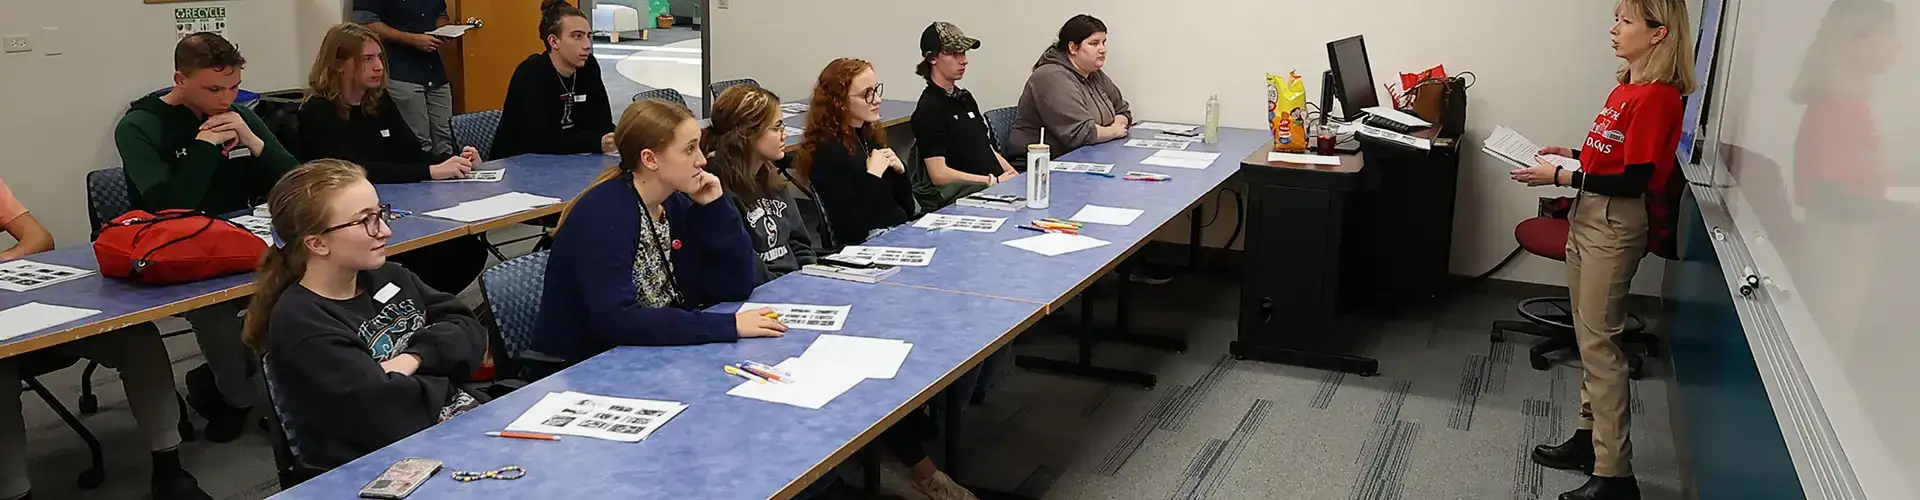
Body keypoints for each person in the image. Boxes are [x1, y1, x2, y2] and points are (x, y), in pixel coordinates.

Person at [1509, 1, 1695, 498]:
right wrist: (1568, 156)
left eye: (1627, 21)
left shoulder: (1658, 97)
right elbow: (1612, 155)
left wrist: (1562, 176)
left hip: (1614, 222)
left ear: (1659, 34)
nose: (1614, 28)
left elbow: (1635, 180)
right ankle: (1589, 440)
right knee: (1588, 334)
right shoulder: (1626, 89)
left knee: (1600, 347)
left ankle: (1615, 476)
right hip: (1589, 214)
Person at [113, 32, 298, 442]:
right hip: (179, 248)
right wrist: (203, 147)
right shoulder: (139, 126)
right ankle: (239, 400)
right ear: (180, 80)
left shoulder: (241, 115)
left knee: (300, 290)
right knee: (216, 317)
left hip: (243, 240)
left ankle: (274, 393)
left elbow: (298, 186)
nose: (225, 98)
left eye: (233, 87)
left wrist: (254, 143)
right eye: (213, 89)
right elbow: (169, 205)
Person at [246, 160, 488, 469]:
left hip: (450, 426)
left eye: (381, 213)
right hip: (387, 462)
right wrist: (448, 373)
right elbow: (386, 417)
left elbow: (469, 329)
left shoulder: (388, 276)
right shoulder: (303, 323)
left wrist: (413, 360)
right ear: (317, 243)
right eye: (366, 221)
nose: (385, 230)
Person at [0, 176, 213, 500]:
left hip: (21, 310)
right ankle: (15, 493)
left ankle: (170, 468)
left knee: (136, 337)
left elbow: (38, 239)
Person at [534, 100, 787, 365]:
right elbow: (617, 321)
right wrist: (725, 326)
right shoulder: (604, 214)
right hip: (588, 365)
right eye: (689, 150)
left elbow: (735, 287)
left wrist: (715, 209)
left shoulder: (676, 203)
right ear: (650, 159)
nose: (701, 160)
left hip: (656, 351)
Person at [297, 22, 491, 294]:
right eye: (367, 59)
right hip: (349, 219)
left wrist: (453, 160)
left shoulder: (378, 100)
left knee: (467, 249)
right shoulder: (317, 111)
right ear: (339, 64)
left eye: (379, 57)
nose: (378, 66)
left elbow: (410, 152)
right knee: (429, 257)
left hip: (401, 205)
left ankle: (420, 310)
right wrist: (430, 171)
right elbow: (352, 172)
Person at [700, 85, 819, 283]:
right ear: (746, 134)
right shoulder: (718, 189)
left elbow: (800, 244)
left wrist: (807, 278)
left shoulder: (768, 176)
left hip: (793, 285)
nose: (785, 134)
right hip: (762, 292)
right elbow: (747, 267)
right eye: (777, 127)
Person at [796, 58, 914, 247]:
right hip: (867, 243)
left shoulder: (868, 136)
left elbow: (906, 210)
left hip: (896, 231)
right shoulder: (828, 152)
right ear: (840, 102)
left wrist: (901, 173)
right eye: (867, 94)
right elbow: (852, 228)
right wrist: (873, 176)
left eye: (876, 90)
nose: (877, 99)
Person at [910, 21, 1018, 209]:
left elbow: (985, 148)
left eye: (964, 53)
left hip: (995, 189)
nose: (964, 60)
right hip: (967, 197)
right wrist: (991, 181)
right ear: (932, 58)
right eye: (954, 54)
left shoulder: (964, 98)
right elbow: (939, 174)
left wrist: (1013, 175)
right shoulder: (929, 108)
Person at [491, 0, 616, 159]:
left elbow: (603, 121)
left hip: (574, 161)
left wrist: (611, 138)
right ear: (553, 41)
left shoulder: (589, 66)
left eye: (588, 36)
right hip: (522, 165)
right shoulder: (531, 74)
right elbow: (538, 141)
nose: (587, 45)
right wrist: (595, 142)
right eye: (577, 36)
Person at [1010, 14, 1132, 161]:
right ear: (1073, 48)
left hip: (1087, 154)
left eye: (1103, 42)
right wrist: (1114, 131)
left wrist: (1116, 126)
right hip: (1041, 163)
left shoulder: (1093, 73)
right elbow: (1081, 134)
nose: (1102, 49)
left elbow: (1123, 111)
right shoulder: (1051, 76)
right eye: (1094, 43)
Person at [352, 0, 457, 156]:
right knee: (418, 140)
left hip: (434, 71)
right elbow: (366, 24)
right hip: (402, 71)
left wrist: (442, 31)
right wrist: (412, 39)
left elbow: (441, 14)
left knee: (446, 138)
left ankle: (451, 174)